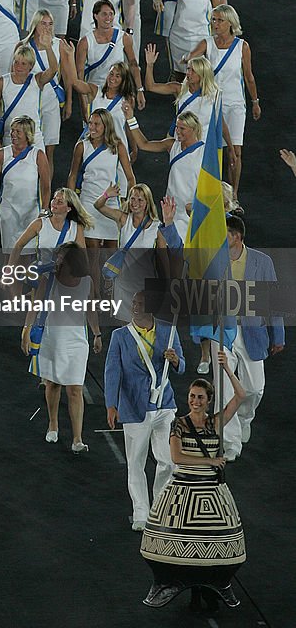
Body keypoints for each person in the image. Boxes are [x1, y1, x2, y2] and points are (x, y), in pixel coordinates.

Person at [140, 353, 246, 610]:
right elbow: (176, 457)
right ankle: (187, 587)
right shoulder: (179, 424)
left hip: (212, 492)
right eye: (192, 396)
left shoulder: (215, 423)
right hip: (183, 490)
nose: (194, 401)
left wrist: (227, 370)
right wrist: (210, 462)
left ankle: (209, 587)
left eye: (200, 397)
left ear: (209, 401)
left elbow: (241, 396)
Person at [105, 288, 185, 531]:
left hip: (164, 405)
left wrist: (175, 360)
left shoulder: (169, 332)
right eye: (134, 303)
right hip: (133, 407)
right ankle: (141, 511)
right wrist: (111, 404)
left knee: (168, 462)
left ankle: (159, 506)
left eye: (141, 303)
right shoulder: (120, 336)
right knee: (136, 463)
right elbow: (112, 372)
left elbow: (181, 367)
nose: (136, 307)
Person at [206, 215, 285, 460]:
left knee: (254, 388)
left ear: (236, 237)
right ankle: (231, 444)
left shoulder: (262, 262)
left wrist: (278, 334)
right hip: (223, 331)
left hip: (253, 331)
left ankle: (243, 417)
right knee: (224, 388)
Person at [22, 244, 102, 451]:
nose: (57, 261)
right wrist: (26, 330)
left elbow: (91, 309)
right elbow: (36, 305)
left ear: (72, 261)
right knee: (53, 384)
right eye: (57, 257)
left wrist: (97, 333)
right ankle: (53, 423)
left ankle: (77, 439)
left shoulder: (87, 282)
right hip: (51, 339)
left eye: (61, 258)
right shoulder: (49, 280)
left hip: (77, 342)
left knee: (75, 389)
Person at [188, 5, 260, 205]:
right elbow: (192, 58)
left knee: (234, 151)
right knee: (210, 149)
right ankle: (211, 192)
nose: (215, 24)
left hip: (235, 105)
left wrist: (255, 101)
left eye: (219, 20)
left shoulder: (242, 46)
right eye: (213, 20)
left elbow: (249, 77)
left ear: (230, 23)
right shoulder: (207, 43)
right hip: (211, 104)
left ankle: (233, 196)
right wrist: (188, 59)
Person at [60, 42, 141, 186]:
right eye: (111, 74)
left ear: (123, 80)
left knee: (120, 189)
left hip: (117, 148)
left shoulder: (128, 100)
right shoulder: (95, 91)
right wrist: (70, 56)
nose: (112, 78)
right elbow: (75, 83)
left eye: (117, 76)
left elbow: (128, 125)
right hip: (95, 146)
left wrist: (133, 147)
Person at [124, 107, 204, 242]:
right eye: (177, 127)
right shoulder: (172, 145)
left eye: (182, 128)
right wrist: (131, 119)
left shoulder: (204, 152)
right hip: (171, 209)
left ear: (193, 129)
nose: (177, 131)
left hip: (192, 210)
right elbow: (144, 144)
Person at [94, 184, 167, 322]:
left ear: (147, 202)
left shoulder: (157, 227)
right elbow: (98, 206)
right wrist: (106, 195)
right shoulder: (123, 219)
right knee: (124, 326)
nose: (135, 203)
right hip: (124, 282)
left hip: (146, 283)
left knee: (146, 325)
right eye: (132, 199)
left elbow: (163, 258)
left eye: (140, 200)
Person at [68, 109, 135, 254]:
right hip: (88, 202)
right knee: (92, 250)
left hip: (110, 203)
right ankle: (94, 278)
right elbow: (72, 176)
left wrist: (128, 203)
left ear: (106, 126)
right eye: (90, 123)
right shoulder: (81, 146)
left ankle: (108, 278)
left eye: (96, 124)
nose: (92, 127)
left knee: (111, 250)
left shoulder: (118, 147)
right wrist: (72, 203)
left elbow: (131, 178)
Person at [0, 115, 51, 254]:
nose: (13, 134)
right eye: (12, 130)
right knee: (9, 255)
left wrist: (44, 211)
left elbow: (46, 186)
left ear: (27, 134)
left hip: (31, 213)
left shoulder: (38, 155)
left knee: (27, 255)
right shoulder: (1, 154)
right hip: (8, 211)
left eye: (17, 132)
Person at [20, 12, 72, 178]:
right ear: (35, 25)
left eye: (50, 24)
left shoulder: (59, 45)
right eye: (43, 23)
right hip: (28, 103)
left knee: (49, 150)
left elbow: (67, 76)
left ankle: (46, 190)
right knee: (27, 146)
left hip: (51, 101)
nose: (47, 28)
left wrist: (69, 102)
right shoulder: (24, 46)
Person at [0, 40, 57, 151]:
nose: (18, 66)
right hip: (11, 136)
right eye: (16, 62)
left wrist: (48, 48)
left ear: (31, 66)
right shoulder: (1, 82)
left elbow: (53, 70)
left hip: (34, 137)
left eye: (23, 63)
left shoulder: (37, 80)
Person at [8, 186, 91, 268]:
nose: (54, 203)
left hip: (64, 274)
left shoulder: (76, 227)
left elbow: (82, 255)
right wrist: (9, 270)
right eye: (54, 199)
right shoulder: (39, 223)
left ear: (69, 208)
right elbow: (18, 245)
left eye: (60, 202)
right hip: (41, 274)